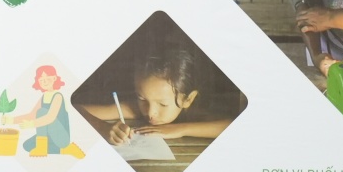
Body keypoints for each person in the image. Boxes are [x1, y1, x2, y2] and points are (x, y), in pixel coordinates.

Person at [77, 50, 241, 145]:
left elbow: (236, 126)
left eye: (163, 104)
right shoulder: (135, 109)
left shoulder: (196, 111)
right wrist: (101, 127)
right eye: (142, 99)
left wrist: (180, 129)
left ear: (188, 100)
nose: (150, 113)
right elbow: (73, 110)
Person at [7, 65, 85, 159]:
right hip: (48, 136)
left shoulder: (58, 96)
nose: (45, 82)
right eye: (41, 80)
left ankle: (42, 147)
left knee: (42, 112)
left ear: (54, 78)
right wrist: (11, 120)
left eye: (47, 78)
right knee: (27, 146)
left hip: (61, 137)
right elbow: (32, 115)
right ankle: (67, 150)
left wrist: (32, 124)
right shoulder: (44, 96)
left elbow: (50, 117)